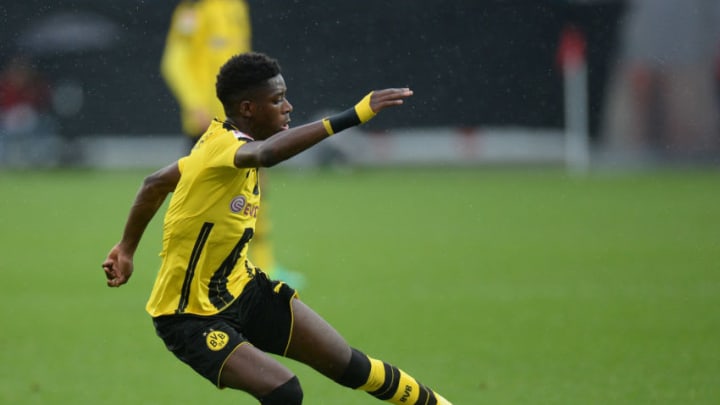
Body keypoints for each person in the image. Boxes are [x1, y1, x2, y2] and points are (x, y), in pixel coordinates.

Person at [102, 52, 451, 405]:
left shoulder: (216, 146)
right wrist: (351, 117)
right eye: (277, 99)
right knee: (284, 391)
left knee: (350, 366)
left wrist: (126, 249)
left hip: (244, 291)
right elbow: (266, 154)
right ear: (249, 108)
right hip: (189, 316)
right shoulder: (225, 148)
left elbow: (154, 183)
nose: (289, 107)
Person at [160, 0, 302, 285]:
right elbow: (174, 62)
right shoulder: (194, 9)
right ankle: (186, 269)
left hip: (244, 117)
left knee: (254, 189)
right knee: (201, 200)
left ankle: (263, 266)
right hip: (209, 122)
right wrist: (193, 102)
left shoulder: (235, 6)